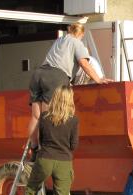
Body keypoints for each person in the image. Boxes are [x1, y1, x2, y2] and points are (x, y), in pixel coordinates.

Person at [28, 23, 112, 156]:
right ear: (81, 34)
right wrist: (98, 79)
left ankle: (33, 147)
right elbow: (84, 63)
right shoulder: (77, 43)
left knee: (36, 116)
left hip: (39, 74)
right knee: (49, 116)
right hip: (56, 77)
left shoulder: (59, 40)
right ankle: (45, 151)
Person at [19, 84, 78, 195]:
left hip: (45, 159)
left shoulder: (44, 117)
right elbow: (73, 145)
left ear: (56, 98)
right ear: (69, 100)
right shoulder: (74, 120)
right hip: (64, 162)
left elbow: (41, 140)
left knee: (31, 188)